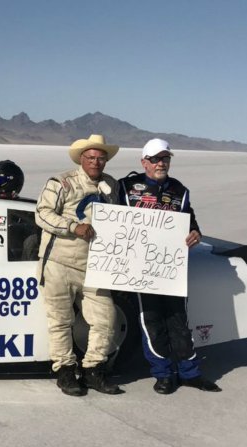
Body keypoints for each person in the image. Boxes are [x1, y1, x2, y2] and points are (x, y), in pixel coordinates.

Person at [118, 138, 221, 394]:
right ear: (144, 162)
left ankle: (189, 372)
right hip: (141, 268)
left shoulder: (179, 190)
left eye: (165, 158)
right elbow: (112, 220)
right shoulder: (126, 187)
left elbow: (191, 221)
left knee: (178, 320)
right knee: (150, 320)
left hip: (171, 267)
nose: (161, 163)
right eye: (155, 159)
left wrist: (195, 232)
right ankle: (163, 373)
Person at [35, 134, 123, 396]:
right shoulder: (61, 182)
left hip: (96, 265)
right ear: (81, 159)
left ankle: (94, 369)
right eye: (91, 157)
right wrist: (73, 226)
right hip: (59, 262)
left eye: (100, 158)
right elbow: (42, 213)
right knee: (61, 320)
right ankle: (64, 372)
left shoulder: (111, 186)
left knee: (106, 319)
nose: (96, 162)